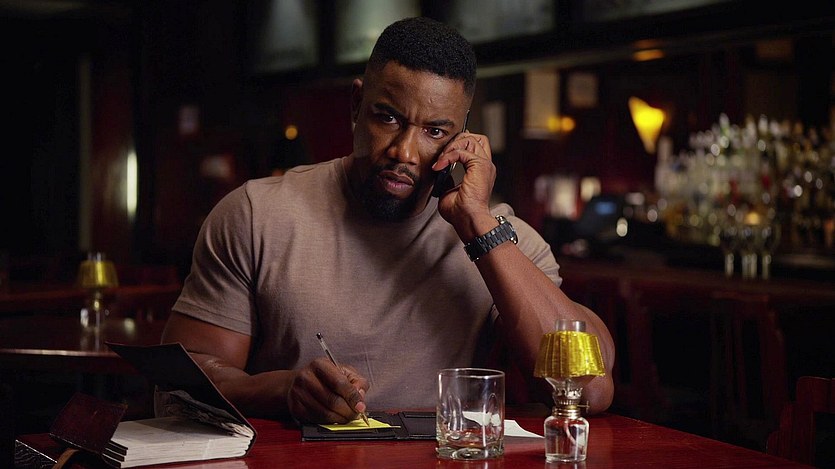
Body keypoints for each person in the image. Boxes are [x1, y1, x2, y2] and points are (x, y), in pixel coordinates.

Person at [161, 16, 614, 424]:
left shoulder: (500, 239)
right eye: (389, 117)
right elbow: (179, 384)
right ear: (357, 105)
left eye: (434, 131)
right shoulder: (255, 214)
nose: (404, 151)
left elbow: (588, 389)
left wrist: (478, 224)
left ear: (461, 139)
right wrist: (284, 390)